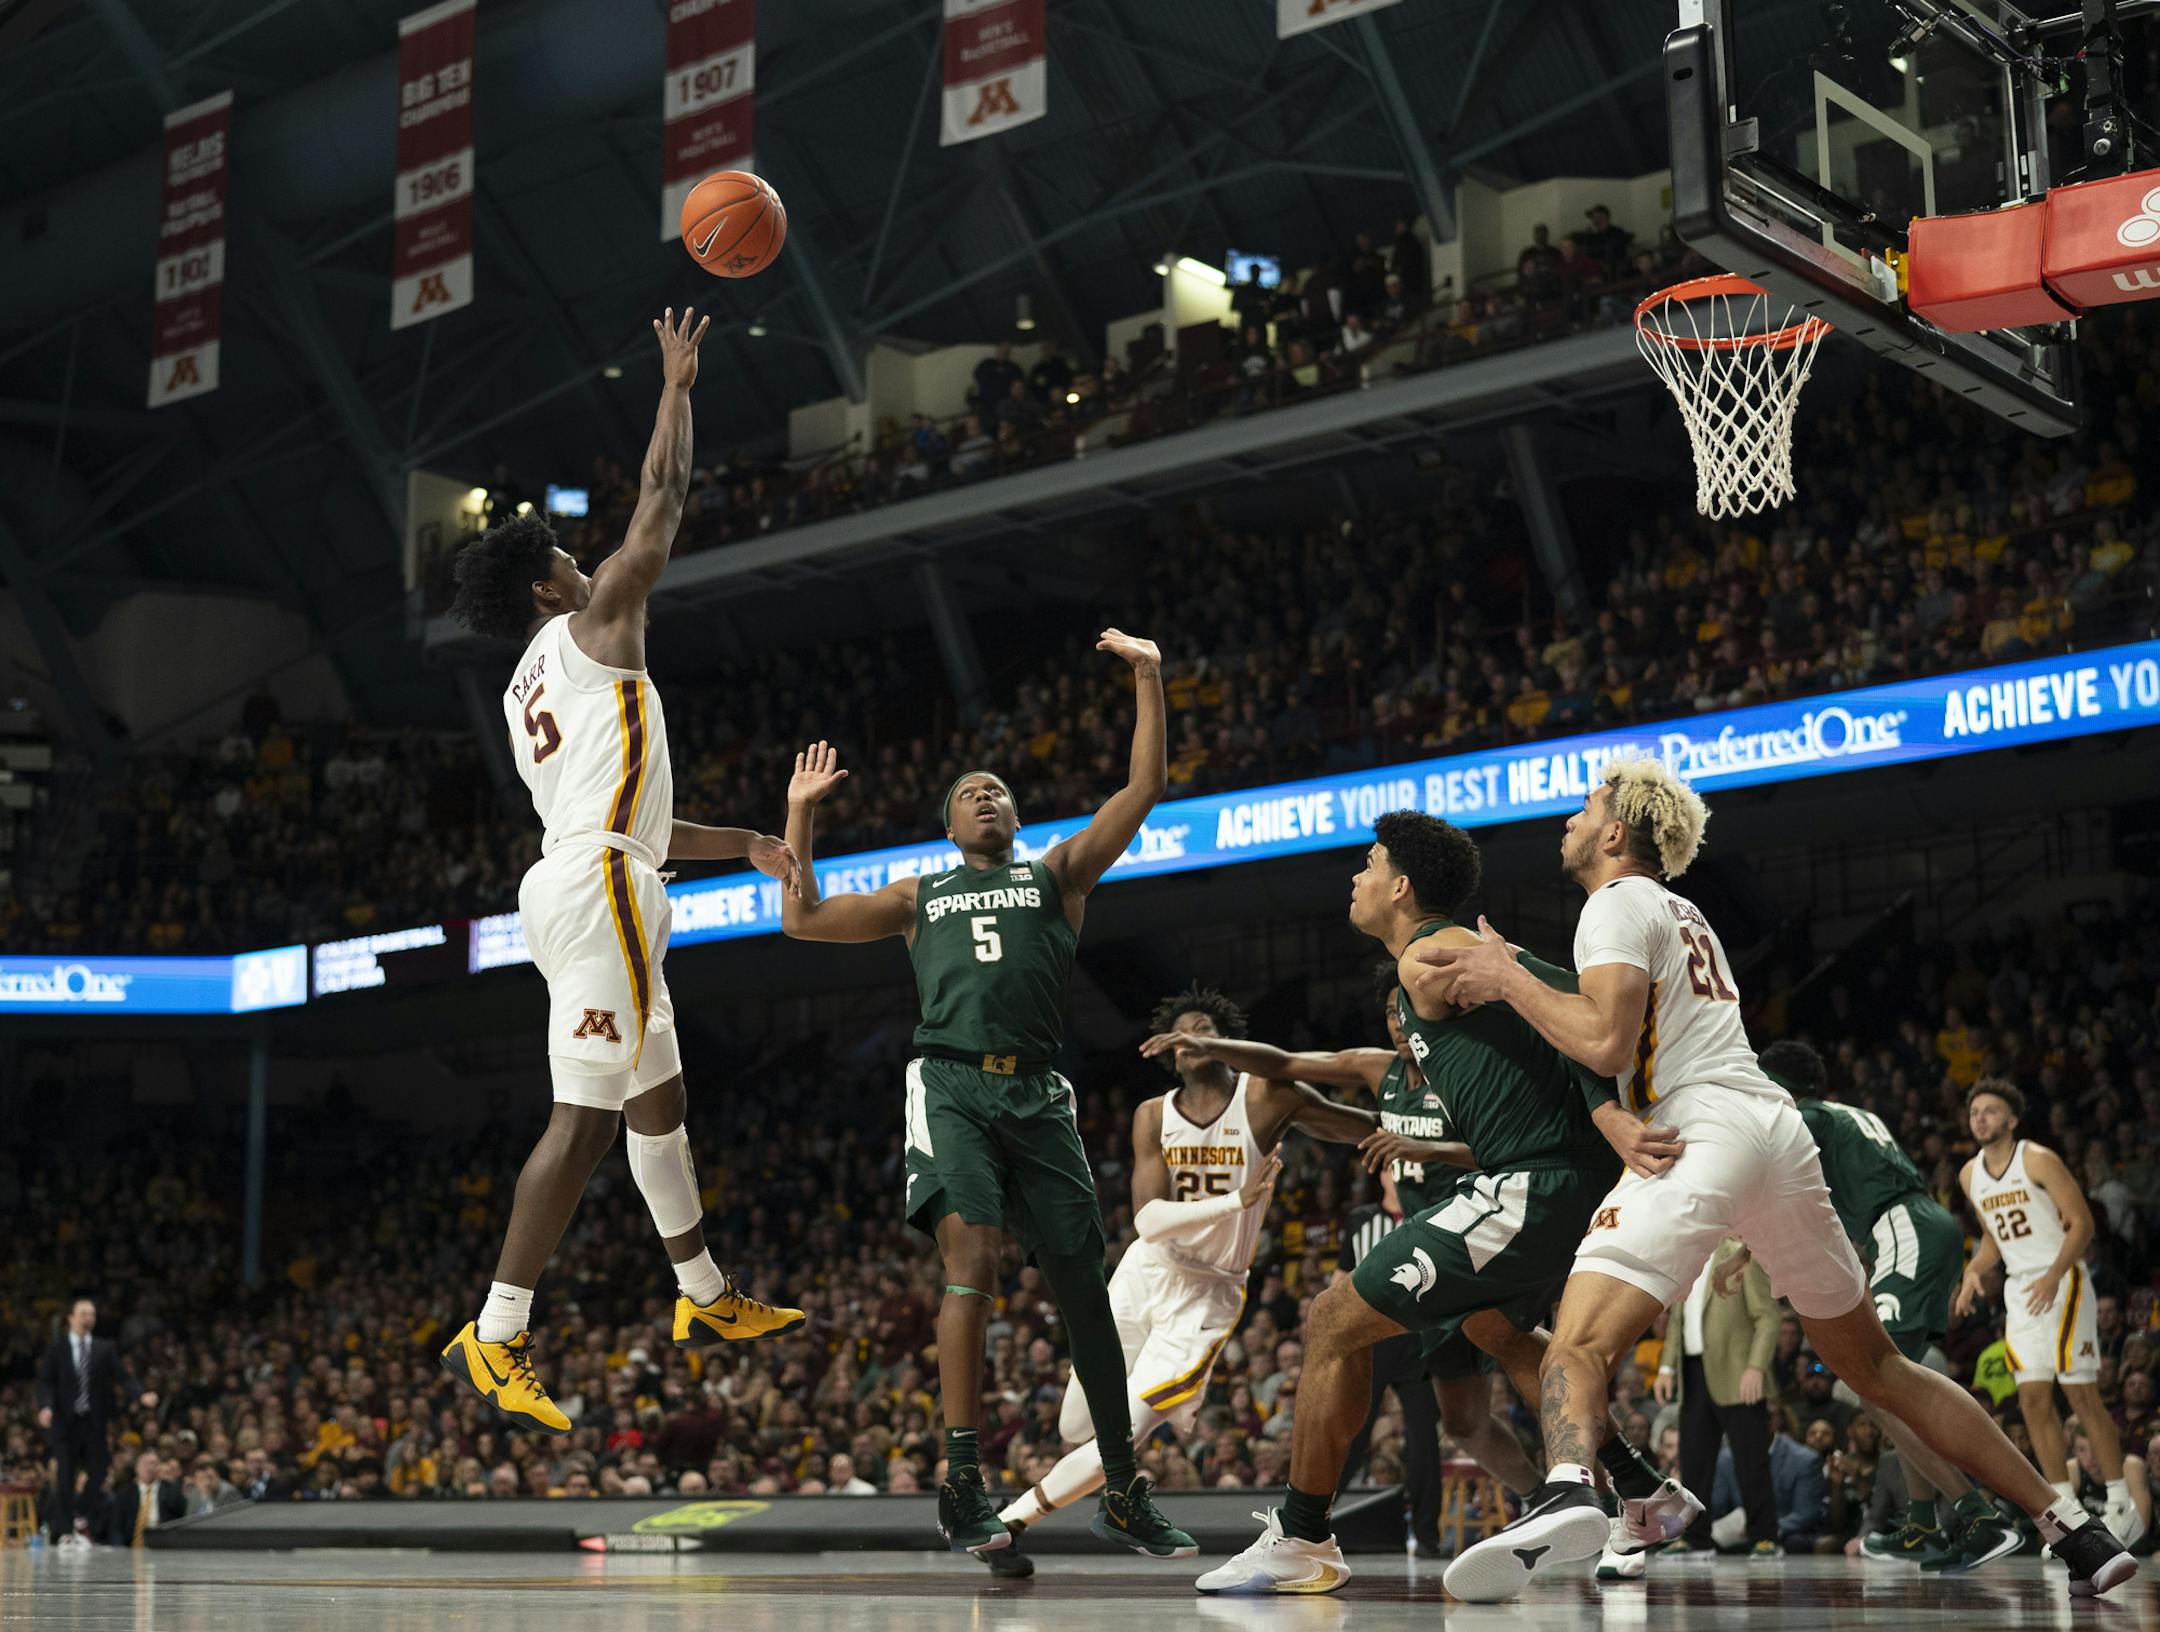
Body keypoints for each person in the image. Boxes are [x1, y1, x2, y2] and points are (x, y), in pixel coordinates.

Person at [1425, 758, 2137, 1601]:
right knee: (1880, 1368)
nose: (1570, 819)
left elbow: (1607, 1042)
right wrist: (1602, 1102)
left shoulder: (1613, 902)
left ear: (1616, 831)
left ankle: (1580, 1493)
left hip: (1705, 1129)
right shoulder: (1685, 912)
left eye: (1584, 807)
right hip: (1776, 1130)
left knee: (1574, 1342)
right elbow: (1628, 1047)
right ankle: (2072, 1526)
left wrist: (1505, 978)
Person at [438, 307, 806, 1436]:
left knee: (659, 1096)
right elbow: (665, 498)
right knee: (586, 1119)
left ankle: (702, 1294)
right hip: (597, 888)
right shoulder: (597, 621)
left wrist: (737, 840)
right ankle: (496, 1333)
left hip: (599, 872)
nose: (579, 556)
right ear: (551, 587)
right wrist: (677, 386)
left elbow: (625, 816)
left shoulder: (529, 687)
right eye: (562, 554)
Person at [777, 634, 1195, 1565]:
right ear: (949, 823)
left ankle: (1121, 1486)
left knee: (1085, 1289)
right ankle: (961, 1482)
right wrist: (801, 818)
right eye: (970, 792)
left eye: (999, 789)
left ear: (1015, 816)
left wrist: (1147, 675)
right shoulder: (919, 893)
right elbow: (800, 918)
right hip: (952, 1084)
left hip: (1039, 1094)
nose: (986, 795)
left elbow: (1143, 791)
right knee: (971, 1261)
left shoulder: (1056, 875)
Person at [1194, 811, 1689, 1595]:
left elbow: (1583, 1005)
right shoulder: (1426, 971)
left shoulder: (1429, 953)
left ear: (1400, 885)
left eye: (1367, 864)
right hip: (1553, 1180)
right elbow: (1565, 1009)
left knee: (1329, 1321)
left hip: (1535, 1178)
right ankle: (1637, 1487)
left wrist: (1605, 1108)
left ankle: (1302, 1536)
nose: (1354, 879)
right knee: (1498, 1327)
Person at [985, 982, 1386, 1577]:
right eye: (1177, 1037)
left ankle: (1006, 1523)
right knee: (1076, 1425)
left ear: (1228, 1044)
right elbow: (1148, 1221)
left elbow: (1362, 1126)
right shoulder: (1153, 1116)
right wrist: (1235, 1202)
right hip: (1143, 1275)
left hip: (1206, 1295)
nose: (1187, 1042)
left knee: (1124, 1434)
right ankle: (1057, 1499)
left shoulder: (1267, 1097)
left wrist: (1430, 1131)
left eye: (1200, 1029)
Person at [1175, 957, 1546, 1560]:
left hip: (1481, 1237)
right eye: (1392, 1010)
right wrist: (1214, 1045)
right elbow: (1286, 1065)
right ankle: (1549, 1500)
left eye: (1411, 1009)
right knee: (1465, 1421)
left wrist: (1424, 1147)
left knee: (1353, 1325)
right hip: (1431, 1254)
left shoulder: (1466, 1070)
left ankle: (1303, 1530)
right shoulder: (1379, 1071)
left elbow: (1507, 1152)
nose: (1401, 1021)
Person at [1741, 1039, 2021, 1572]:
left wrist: (1740, 1243)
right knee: (1893, 1389)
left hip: (1903, 1228)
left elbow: (1771, 1182)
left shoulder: (1807, 1117)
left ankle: (1977, 1514)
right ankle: (1920, 1520)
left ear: (1779, 1087)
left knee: (1874, 1385)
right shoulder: (1852, 1114)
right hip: (1914, 1228)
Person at [1956, 1077, 2143, 1547]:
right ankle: (2067, 1514)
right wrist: (1972, 1272)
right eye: (1975, 1110)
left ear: (2012, 1120)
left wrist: (2055, 1274)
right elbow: (1993, 1238)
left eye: (1991, 1110)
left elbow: (2083, 1224)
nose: (1981, 1117)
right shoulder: (1968, 1174)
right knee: (2032, 1401)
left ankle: (2123, 1503)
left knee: (2080, 1394)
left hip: (2063, 1279)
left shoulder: (2037, 1158)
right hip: (2020, 1289)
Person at [1654, 1238, 1779, 1557]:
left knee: (1751, 1460)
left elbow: (1767, 1317)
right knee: (1694, 1459)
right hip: (1694, 1370)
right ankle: (1695, 1538)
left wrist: (1755, 1367)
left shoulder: (1741, 1255)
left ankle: (1765, 1536)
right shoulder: (1688, 1257)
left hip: (1739, 1373)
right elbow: (1676, 1322)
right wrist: (1667, 1366)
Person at [34, 1297, 157, 1545]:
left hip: (93, 1421)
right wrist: (45, 1407)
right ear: (70, 1317)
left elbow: (122, 1376)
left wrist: (140, 1394)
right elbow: (45, 1381)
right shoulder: (57, 1349)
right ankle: (67, 1530)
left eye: (91, 1314)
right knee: (66, 1476)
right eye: (83, 1313)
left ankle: (81, 1516)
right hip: (65, 1423)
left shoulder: (104, 1348)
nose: (88, 1318)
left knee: (100, 1469)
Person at [98, 1450, 183, 1547]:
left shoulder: (172, 1490)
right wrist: (119, 1551)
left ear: (159, 1468)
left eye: (153, 1463)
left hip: (162, 1549)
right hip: (130, 1549)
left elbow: (180, 1517)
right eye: (145, 1463)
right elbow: (116, 1527)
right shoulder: (124, 1494)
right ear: (137, 1468)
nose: (149, 1467)